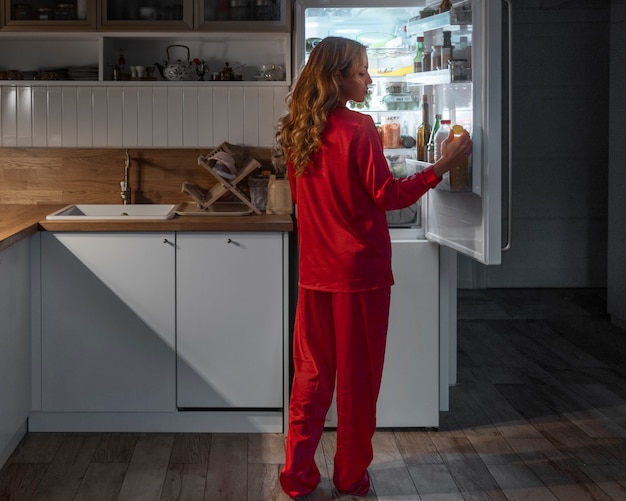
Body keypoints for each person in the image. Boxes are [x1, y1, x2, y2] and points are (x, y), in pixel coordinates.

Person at [275, 36, 472, 499]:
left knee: (311, 377)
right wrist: (442, 165)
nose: (369, 78)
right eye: (362, 71)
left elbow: (303, 199)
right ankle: (350, 477)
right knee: (357, 384)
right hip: (360, 276)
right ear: (337, 77)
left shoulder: (296, 129)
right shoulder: (359, 128)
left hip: (314, 273)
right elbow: (388, 196)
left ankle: (297, 477)